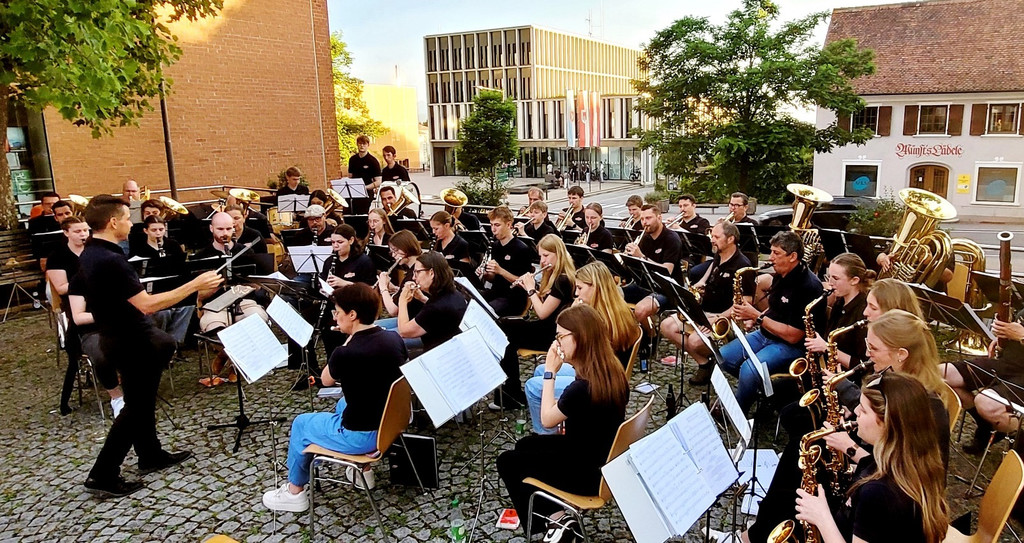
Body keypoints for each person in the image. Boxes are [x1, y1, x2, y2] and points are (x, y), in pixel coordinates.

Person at [744, 307, 952, 543]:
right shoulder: (900, 389)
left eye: (873, 348)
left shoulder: (917, 405)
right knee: (799, 459)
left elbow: (895, 472)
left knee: (799, 480)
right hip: (882, 474)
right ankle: (759, 532)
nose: (866, 352)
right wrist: (850, 447)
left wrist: (822, 515)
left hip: (883, 491)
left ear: (902, 353)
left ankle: (760, 533)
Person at [77, 195, 222, 498]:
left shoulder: (92, 252)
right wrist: (194, 285)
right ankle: (103, 473)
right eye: (127, 218)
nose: (131, 223)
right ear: (113, 222)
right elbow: (147, 304)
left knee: (139, 402)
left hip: (119, 335)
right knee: (135, 408)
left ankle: (150, 453)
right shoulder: (108, 259)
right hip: (130, 339)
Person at [261, 283, 405, 512]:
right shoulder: (393, 339)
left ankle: (294, 492)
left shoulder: (345, 353)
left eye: (337, 312)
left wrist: (347, 341)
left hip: (362, 437)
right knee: (342, 402)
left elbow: (326, 380)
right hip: (389, 424)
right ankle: (363, 473)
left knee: (301, 424)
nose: (335, 317)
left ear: (353, 315)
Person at [497, 305, 630, 539]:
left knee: (507, 461)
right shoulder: (612, 371)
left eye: (560, 336)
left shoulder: (581, 387)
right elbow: (583, 411)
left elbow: (547, 420)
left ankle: (557, 520)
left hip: (585, 473)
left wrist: (550, 371)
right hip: (599, 457)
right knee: (525, 445)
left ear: (580, 337)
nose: (556, 342)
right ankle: (558, 517)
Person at [793, 372, 949, 543]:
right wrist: (850, 448)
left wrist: (822, 517)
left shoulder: (878, 494)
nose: (856, 412)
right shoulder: (912, 460)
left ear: (887, 423)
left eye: (864, 410)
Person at [523, 261, 638, 434]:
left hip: (598, 381)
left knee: (533, 386)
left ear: (596, 287)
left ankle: (546, 433)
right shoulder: (620, 309)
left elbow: (580, 357)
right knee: (540, 370)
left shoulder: (597, 321)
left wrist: (574, 316)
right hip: (609, 372)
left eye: (580, 288)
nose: (576, 293)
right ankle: (558, 413)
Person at [719, 231, 823, 414]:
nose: (771, 258)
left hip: (790, 345)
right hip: (766, 334)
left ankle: (736, 413)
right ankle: (766, 393)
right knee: (723, 357)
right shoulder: (780, 275)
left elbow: (793, 335)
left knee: (748, 371)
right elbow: (777, 307)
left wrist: (758, 317)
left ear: (793, 257)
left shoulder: (808, 286)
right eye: (771, 252)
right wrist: (754, 318)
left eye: (776, 253)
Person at [659, 221, 753, 381]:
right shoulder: (719, 256)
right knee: (666, 326)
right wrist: (699, 287)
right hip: (705, 312)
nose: (711, 239)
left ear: (730, 239)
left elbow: (745, 303)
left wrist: (717, 318)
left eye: (716, 236)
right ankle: (704, 362)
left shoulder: (743, 266)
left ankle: (717, 357)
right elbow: (707, 279)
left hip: (723, 318)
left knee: (695, 342)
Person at [493, 234, 576, 409]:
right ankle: (509, 391)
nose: (542, 260)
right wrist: (530, 289)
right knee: (503, 326)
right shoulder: (553, 275)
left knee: (505, 336)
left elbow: (543, 313)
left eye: (546, 255)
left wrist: (531, 290)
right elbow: (545, 306)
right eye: (540, 256)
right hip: (546, 327)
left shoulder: (563, 279)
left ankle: (512, 393)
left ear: (558, 254)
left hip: (553, 333)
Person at [942, 307, 1024, 453]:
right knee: (938, 376)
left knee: (986, 402)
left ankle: (1019, 437)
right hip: (1007, 362)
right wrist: (1002, 336)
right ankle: (986, 425)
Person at [47, 216, 91, 415]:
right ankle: (65, 401)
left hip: (97, 301)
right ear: (66, 233)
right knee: (74, 354)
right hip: (72, 308)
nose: (83, 235)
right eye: (78, 231)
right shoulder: (58, 255)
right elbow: (61, 288)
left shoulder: (93, 250)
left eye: (85, 230)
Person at [623, 204, 683, 348]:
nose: (645, 222)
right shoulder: (644, 237)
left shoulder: (671, 238)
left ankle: (651, 335)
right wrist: (627, 259)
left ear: (659, 218)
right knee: (610, 295)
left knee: (640, 309)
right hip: (645, 283)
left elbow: (666, 271)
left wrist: (641, 256)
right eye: (642, 219)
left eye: (648, 218)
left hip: (667, 288)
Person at [394, 252, 468, 353]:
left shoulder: (436, 307)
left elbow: (404, 331)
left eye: (417, 272)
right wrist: (423, 298)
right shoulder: (454, 293)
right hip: (451, 348)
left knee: (390, 343)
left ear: (431, 273)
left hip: (438, 355)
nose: (414, 278)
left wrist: (402, 300)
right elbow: (439, 314)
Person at [481, 206, 534, 317]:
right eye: (491, 225)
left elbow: (524, 283)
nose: (493, 229)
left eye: (497, 225)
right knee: (471, 302)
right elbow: (494, 279)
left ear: (509, 225)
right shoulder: (495, 245)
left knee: (488, 311)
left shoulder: (522, 249)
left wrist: (500, 271)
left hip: (513, 298)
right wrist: (486, 274)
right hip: (496, 292)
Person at [376, 230, 422, 319]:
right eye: (392, 252)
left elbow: (393, 310)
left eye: (395, 250)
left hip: (413, 320)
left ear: (406, 247)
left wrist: (383, 287)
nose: (393, 255)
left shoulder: (414, 274)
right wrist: (395, 289)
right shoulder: (415, 267)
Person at [348, 135, 382, 214]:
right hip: (353, 193)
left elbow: (378, 181)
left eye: (364, 144)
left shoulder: (373, 161)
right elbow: (350, 177)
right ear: (357, 145)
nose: (362, 146)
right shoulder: (352, 160)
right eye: (360, 144)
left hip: (366, 194)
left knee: (362, 214)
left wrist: (365, 187)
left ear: (368, 145)